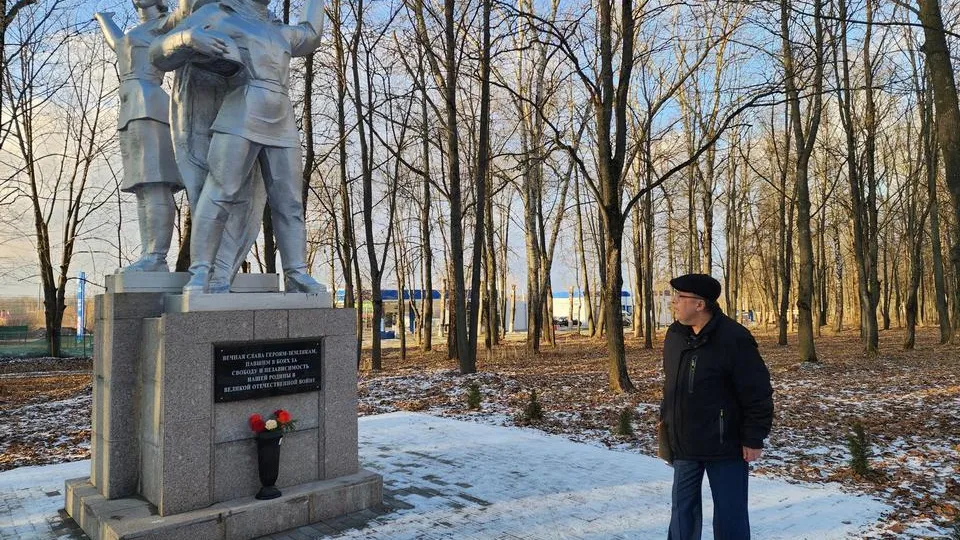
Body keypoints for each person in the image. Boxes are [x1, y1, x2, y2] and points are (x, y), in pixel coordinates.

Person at [149, 0, 325, 294]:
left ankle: (296, 273)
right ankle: (201, 273)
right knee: (219, 193)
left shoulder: (278, 30)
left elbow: (311, 34)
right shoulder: (219, 13)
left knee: (290, 202)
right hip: (241, 110)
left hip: (281, 120)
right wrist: (188, 38)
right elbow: (158, 54)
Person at [659, 273, 774, 540]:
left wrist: (754, 437)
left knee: (730, 515)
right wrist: (666, 420)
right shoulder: (675, 335)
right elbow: (672, 385)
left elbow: (757, 391)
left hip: (726, 445)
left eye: (680, 297)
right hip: (685, 443)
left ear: (700, 304)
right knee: (681, 513)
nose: (674, 302)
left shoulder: (735, 339)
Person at [95, 2, 183, 273]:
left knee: (156, 182)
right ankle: (149, 255)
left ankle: (156, 256)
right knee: (142, 187)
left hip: (149, 103)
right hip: (130, 106)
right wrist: (103, 17)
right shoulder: (138, 31)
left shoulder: (166, 23)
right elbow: (119, 42)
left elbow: (190, 12)